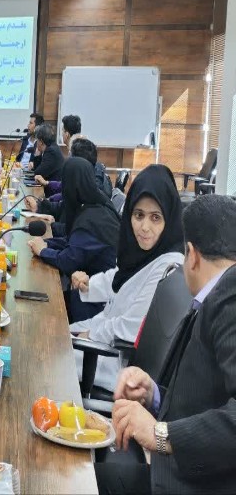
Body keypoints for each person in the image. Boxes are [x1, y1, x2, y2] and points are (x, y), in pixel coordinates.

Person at [95, 195, 236, 494]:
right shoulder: (215, 296)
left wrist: (160, 433)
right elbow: (209, 397)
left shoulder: (230, 297)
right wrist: (154, 395)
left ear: (192, 255)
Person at [69, 165, 184, 392]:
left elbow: (131, 327)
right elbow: (119, 277)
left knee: (49, 356)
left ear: (169, 219)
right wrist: (88, 285)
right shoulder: (143, 253)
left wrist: (91, 333)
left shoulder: (168, 265)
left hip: (116, 364)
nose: (144, 227)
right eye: (138, 215)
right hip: (102, 343)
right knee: (51, 339)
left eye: (155, 218)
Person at [28, 157, 120, 322]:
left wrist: (43, 251)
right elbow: (73, 242)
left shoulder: (92, 219)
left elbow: (69, 260)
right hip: (88, 288)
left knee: (39, 313)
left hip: (96, 303)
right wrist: (46, 243)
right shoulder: (95, 203)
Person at [30, 138, 112, 219]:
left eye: (70, 154)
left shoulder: (91, 202)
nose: (68, 158)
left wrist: (52, 224)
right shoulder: (85, 182)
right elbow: (63, 207)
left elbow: (71, 223)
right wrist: (40, 206)